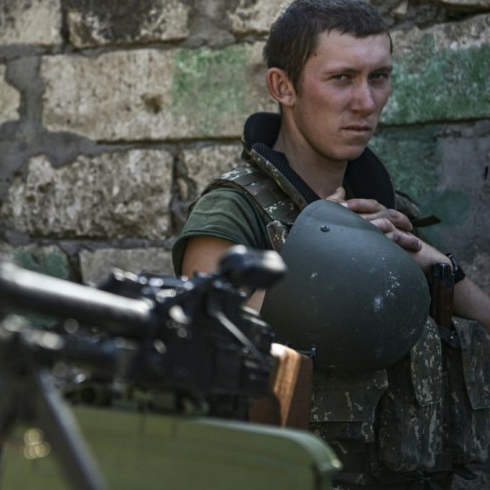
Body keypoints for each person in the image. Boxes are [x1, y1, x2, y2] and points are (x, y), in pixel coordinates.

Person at [172, 0, 490, 487]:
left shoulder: (390, 208)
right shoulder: (233, 214)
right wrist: (328, 256)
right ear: (283, 87)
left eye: (379, 77)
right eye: (342, 78)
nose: (366, 101)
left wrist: (430, 260)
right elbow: (221, 359)